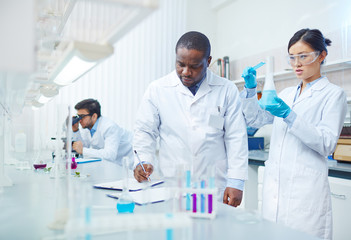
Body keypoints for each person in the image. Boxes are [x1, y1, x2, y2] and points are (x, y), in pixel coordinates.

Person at [241, 28, 347, 239]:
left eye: (303, 56)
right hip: (275, 192)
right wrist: (251, 90)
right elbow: (255, 120)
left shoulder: (333, 95)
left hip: (305, 194)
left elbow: (326, 143)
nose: (296, 64)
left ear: (321, 55)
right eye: (292, 58)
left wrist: (289, 115)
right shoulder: (287, 94)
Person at [133, 31, 248, 207]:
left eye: (194, 66)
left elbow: (236, 136)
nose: (186, 72)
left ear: (208, 62)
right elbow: (145, 131)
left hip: (213, 184)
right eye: (180, 64)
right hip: (172, 183)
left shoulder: (226, 89)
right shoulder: (157, 89)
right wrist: (144, 160)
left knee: (212, 233)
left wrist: (236, 181)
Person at [72, 98, 133, 166]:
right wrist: (76, 130)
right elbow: (83, 146)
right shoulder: (87, 127)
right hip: (113, 163)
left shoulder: (109, 127)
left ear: (94, 116)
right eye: (78, 116)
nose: (79, 120)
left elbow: (110, 155)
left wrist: (83, 151)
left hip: (129, 161)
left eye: (82, 116)